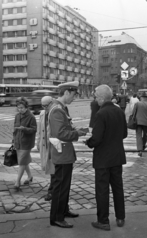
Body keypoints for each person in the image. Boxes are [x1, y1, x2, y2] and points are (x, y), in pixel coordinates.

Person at [85, 84, 127, 231]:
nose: (95, 99)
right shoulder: (119, 111)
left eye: (96, 96)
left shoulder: (101, 113)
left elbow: (96, 139)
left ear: (102, 98)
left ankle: (103, 221)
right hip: (117, 157)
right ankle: (120, 217)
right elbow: (124, 134)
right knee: (118, 188)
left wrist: (88, 142)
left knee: (102, 190)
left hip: (103, 158)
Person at [49, 81, 87, 228]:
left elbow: (66, 127)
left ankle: (63, 210)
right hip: (61, 153)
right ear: (66, 93)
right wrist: (77, 133)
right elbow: (61, 133)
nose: (74, 98)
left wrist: (79, 130)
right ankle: (57, 217)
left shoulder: (61, 108)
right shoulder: (58, 109)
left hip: (64, 153)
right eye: (73, 95)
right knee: (60, 187)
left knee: (65, 185)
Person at [13, 97, 37, 190]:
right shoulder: (17, 116)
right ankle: (30, 176)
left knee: (22, 162)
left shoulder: (31, 116)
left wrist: (24, 129)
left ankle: (17, 181)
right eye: (18, 107)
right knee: (24, 161)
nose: (20, 109)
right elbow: (15, 128)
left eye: (22, 107)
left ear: (26, 107)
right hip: (18, 142)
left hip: (27, 142)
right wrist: (14, 139)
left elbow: (34, 129)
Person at [37, 96, 55, 201]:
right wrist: (38, 142)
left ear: (51, 103)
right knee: (49, 168)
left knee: (53, 169)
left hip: (53, 145)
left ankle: (51, 191)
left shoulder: (55, 112)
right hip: (45, 144)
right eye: (42, 106)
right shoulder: (42, 114)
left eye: (46, 105)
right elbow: (40, 129)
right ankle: (52, 190)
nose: (44, 108)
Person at [132, 92, 147, 157]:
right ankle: (143, 145)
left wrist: (133, 120)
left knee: (138, 135)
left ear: (141, 98)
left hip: (138, 122)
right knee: (145, 134)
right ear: (146, 98)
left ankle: (139, 150)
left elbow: (133, 113)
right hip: (146, 122)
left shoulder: (137, 104)